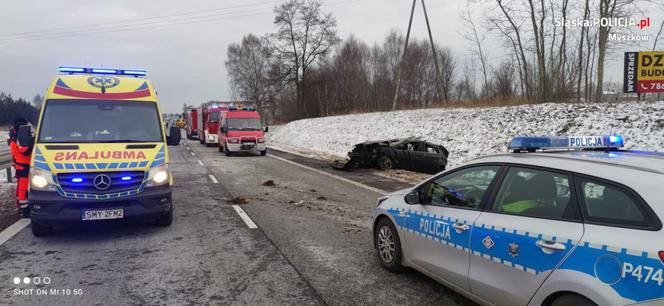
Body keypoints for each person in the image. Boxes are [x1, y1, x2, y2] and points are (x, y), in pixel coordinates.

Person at [8, 117, 33, 218]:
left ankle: (22, 207)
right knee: (23, 188)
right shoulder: (19, 138)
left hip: (22, 166)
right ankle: (24, 209)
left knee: (22, 188)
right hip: (23, 166)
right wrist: (32, 143)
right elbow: (25, 151)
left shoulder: (17, 136)